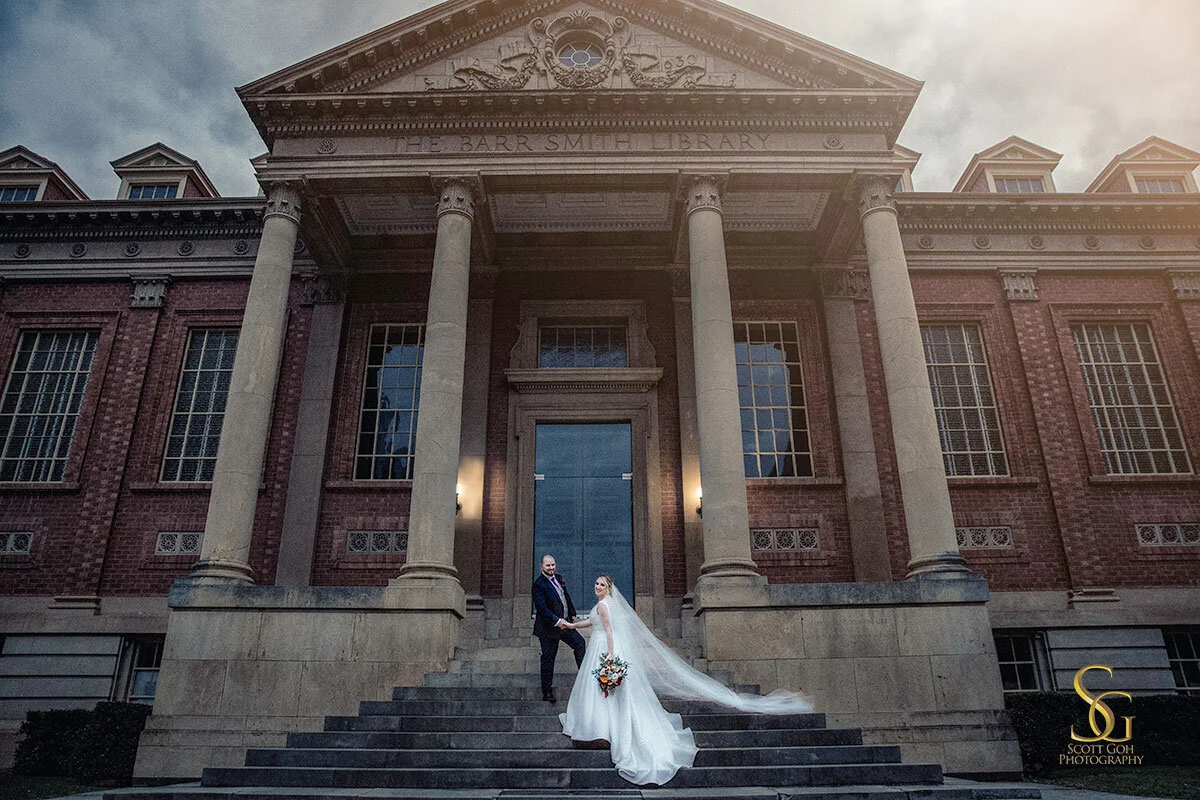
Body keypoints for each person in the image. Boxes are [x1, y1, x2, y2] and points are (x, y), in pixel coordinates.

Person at [560, 575, 812, 786]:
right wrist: (573, 626)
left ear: (608, 588)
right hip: (601, 645)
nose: (597, 587)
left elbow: (609, 630)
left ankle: (600, 729)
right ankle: (602, 729)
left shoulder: (604, 605)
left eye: (601, 585)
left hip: (604, 648)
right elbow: (592, 622)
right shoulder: (607, 604)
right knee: (607, 692)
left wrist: (612, 657)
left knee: (602, 690)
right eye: (596, 584)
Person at [531, 554, 586, 704]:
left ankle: (585, 679)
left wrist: (572, 615)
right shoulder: (538, 585)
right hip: (549, 628)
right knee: (548, 659)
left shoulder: (559, 578)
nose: (551, 568)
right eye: (548, 565)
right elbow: (542, 608)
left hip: (565, 625)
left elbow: (565, 598)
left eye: (553, 565)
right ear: (541, 567)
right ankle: (547, 691)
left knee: (580, 643)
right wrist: (557, 621)